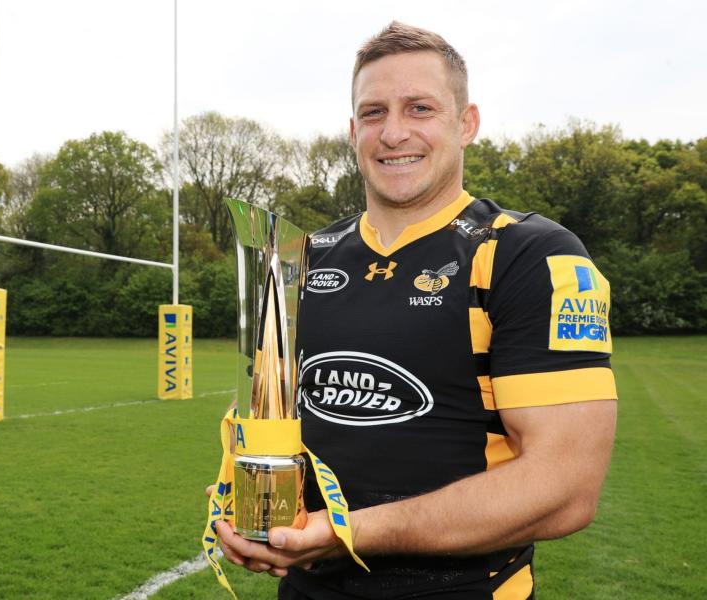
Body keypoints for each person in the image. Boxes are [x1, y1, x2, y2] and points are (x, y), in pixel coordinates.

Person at [215, 21, 618, 599]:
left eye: (420, 108)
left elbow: (565, 486)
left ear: (466, 123)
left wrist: (352, 531)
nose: (393, 132)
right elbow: (266, 418)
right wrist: (240, 494)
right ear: (353, 130)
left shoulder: (526, 255)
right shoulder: (298, 260)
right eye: (373, 112)